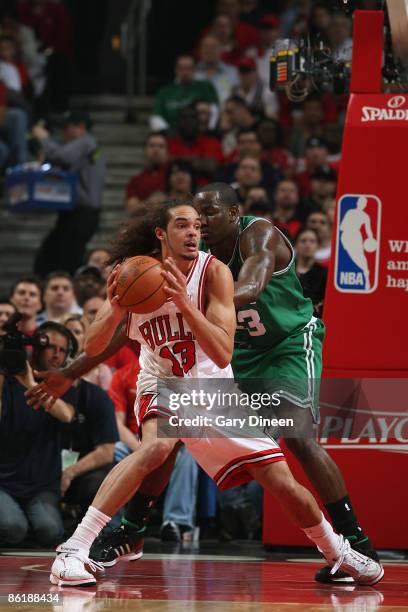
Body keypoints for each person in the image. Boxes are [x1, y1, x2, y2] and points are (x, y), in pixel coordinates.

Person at [30, 199, 383, 587]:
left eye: (197, 225)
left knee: (281, 477)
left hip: (215, 386)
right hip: (164, 381)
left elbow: (221, 351)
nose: (194, 232)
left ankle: (339, 551)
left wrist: (184, 304)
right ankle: (76, 547)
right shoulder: (132, 273)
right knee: (157, 448)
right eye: (183, 225)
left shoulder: (213, 272)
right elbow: (100, 342)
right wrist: (113, 312)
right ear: (162, 233)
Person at [0, 322, 77, 547]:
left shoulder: (63, 384)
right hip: (3, 482)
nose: (56, 354)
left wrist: (30, 383)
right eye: (50, 347)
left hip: (41, 485)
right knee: (13, 529)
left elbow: (67, 414)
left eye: (62, 350)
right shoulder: (6, 382)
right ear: (35, 347)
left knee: (50, 531)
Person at [32, 110, 106, 276]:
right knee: (49, 255)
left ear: (80, 127)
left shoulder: (86, 142)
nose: (64, 133)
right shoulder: (83, 148)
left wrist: (44, 138)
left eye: (66, 127)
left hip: (83, 214)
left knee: (67, 260)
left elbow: (61, 156)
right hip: (72, 213)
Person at [150, 55, 218, 132]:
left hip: (201, 133)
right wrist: (168, 132)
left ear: (195, 69)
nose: (185, 72)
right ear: (175, 70)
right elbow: (156, 116)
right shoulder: (165, 91)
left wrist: (210, 129)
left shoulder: (205, 87)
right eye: (181, 68)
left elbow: (214, 110)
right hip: (172, 135)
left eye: (189, 68)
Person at [126, 133, 169, 215]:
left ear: (167, 152)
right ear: (145, 150)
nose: (156, 150)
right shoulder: (136, 180)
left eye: (161, 146)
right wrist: (151, 202)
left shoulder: (176, 176)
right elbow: (132, 209)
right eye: (152, 146)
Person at [295, 229, 327, 318]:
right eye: (303, 241)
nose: (307, 245)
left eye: (312, 241)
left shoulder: (325, 274)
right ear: (296, 244)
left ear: (318, 246)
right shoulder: (286, 271)